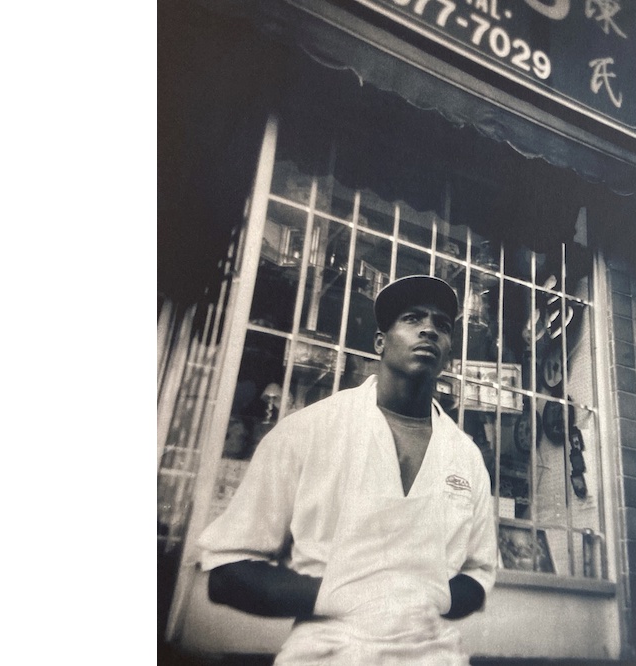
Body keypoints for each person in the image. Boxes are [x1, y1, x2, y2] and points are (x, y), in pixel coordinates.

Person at [198, 275, 498, 665]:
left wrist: (424, 599)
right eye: (412, 318)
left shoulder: (467, 456)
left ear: (448, 352)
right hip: (327, 653)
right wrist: (344, 595)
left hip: (436, 655)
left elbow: (478, 573)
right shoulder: (309, 430)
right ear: (379, 342)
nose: (429, 329)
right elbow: (226, 570)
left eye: (442, 325)